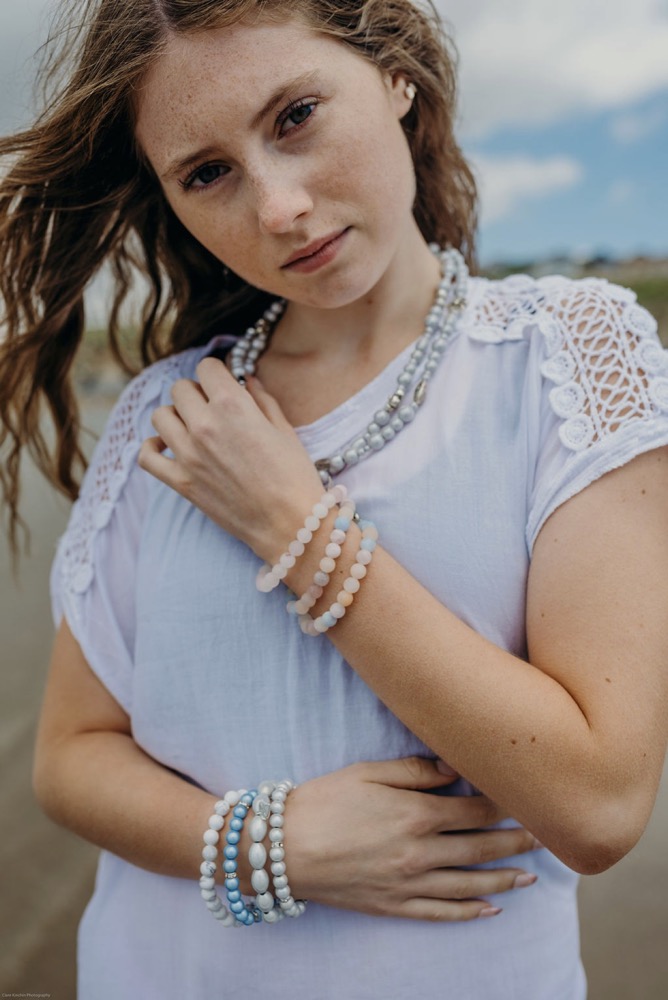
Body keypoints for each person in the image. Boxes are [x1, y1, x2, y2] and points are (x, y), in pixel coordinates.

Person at [1, 0, 667, 996]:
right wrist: (268, 844)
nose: (277, 208)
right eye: (207, 173)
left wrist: (296, 527)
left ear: (394, 75)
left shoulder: (563, 352)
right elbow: (68, 756)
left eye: (296, 115)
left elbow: (596, 801)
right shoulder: (169, 414)